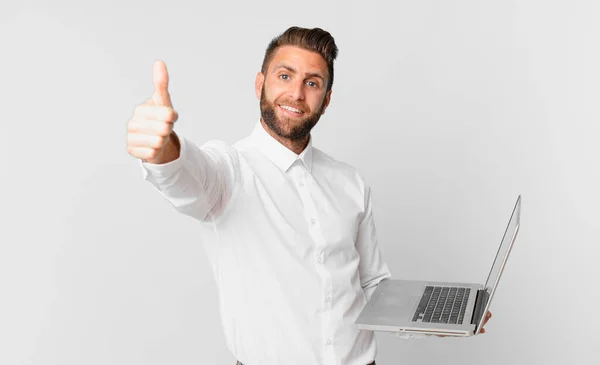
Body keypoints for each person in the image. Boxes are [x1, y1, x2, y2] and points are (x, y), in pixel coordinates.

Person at [126, 26, 491, 365]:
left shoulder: (350, 183)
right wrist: (162, 148)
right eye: (284, 76)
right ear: (260, 84)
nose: (297, 94)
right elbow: (187, 174)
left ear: (327, 99)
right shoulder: (229, 171)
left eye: (312, 83)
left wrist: (439, 315)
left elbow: (373, 282)